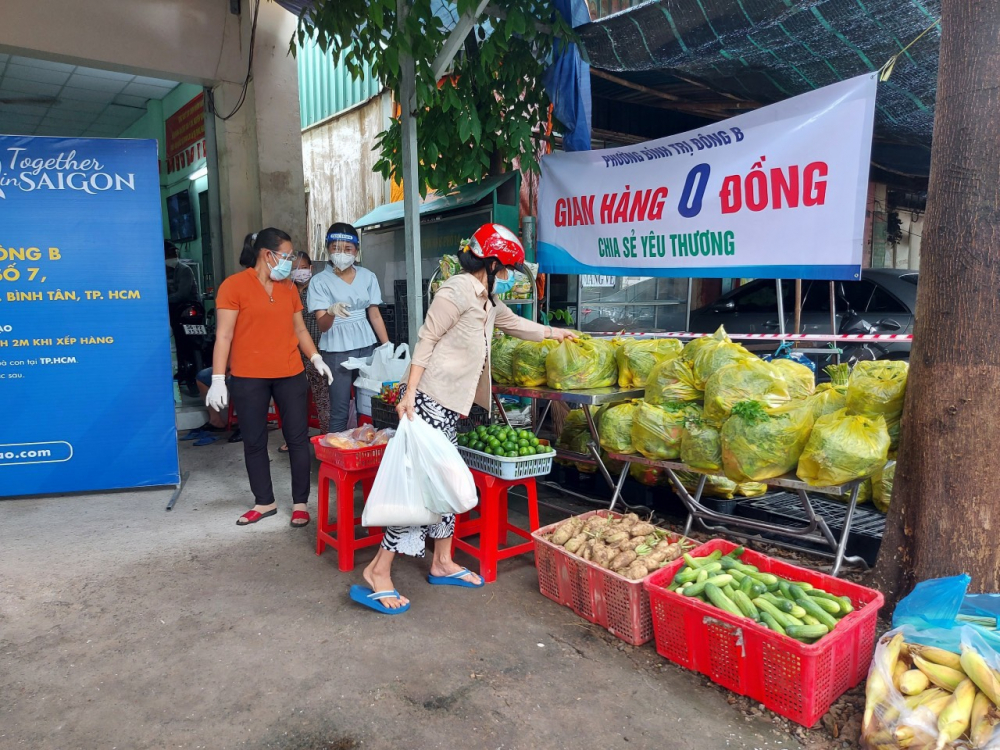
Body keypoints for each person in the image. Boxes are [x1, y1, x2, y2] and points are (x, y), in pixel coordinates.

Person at [351, 223, 576, 614]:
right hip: (429, 403)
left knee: (446, 488)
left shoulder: (486, 300)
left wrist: (555, 333)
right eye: (504, 270)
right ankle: (378, 570)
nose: (506, 278)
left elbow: (515, 325)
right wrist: (408, 395)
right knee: (422, 492)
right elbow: (426, 340)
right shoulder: (456, 291)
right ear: (489, 264)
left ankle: (441, 560)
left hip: (450, 408)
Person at [207, 229, 334, 528]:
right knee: (254, 441)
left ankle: (300, 503)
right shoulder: (233, 286)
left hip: (290, 374)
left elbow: (300, 330)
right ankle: (265, 501)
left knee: (298, 439)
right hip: (249, 377)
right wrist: (217, 378)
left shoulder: (289, 288)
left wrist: (315, 358)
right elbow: (223, 335)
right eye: (287, 256)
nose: (290, 262)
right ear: (268, 255)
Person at [307, 223, 390, 433]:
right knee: (340, 408)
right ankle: (337, 454)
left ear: (357, 250)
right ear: (328, 249)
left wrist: (386, 345)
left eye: (348, 249)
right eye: (336, 248)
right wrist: (331, 312)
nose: (341, 253)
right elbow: (323, 326)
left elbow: (375, 314)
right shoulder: (319, 281)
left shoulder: (368, 276)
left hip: (367, 344)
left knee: (370, 402)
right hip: (336, 348)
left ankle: (370, 450)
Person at [278, 251, 331, 452]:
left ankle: (326, 438)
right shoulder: (285, 291)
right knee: (292, 400)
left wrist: (316, 354)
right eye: (294, 268)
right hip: (292, 353)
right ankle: (292, 439)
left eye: (302, 267)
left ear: (311, 268)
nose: (298, 272)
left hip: (317, 352)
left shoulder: (317, 291)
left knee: (322, 398)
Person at [165, 240, 201, 393]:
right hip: (174, 311)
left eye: (174, 253)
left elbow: (183, 294)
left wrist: (163, 300)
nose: (173, 257)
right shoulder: (162, 271)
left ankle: (195, 377)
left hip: (190, 309)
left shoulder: (184, 270)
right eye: (170, 254)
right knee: (180, 343)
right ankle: (182, 371)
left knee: (192, 343)